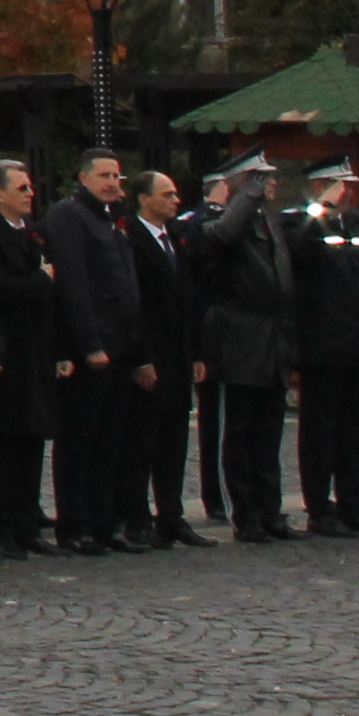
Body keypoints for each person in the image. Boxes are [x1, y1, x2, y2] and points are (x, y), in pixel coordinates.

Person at [185, 152, 298, 543]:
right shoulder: (219, 221)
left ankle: (270, 510)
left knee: (267, 436)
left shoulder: (267, 221)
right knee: (237, 433)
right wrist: (246, 194)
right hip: (238, 339)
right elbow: (222, 236)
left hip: (272, 337)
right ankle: (244, 513)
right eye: (263, 180)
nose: (271, 187)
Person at [43, 154, 144, 554]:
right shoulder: (69, 216)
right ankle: (75, 523)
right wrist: (89, 343)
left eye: (117, 175)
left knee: (110, 442)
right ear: (82, 177)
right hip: (92, 348)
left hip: (120, 344)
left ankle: (105, 521)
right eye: (104, 175)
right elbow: (74, 281)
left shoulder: (110, 219)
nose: (112, 182)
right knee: (79, 441)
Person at [284, 161, 359, 538]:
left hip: (358, 342)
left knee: (354, 432)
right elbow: (297, 256)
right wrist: (319, 212)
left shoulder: (355, 225)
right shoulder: (299, 222)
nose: (347, 193)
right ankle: (319, 509)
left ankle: (352, 505)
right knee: (320, 432)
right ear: (320, 186)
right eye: (339, 185)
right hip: (323, 346)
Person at [0, 160, 62, 556]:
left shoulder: (35, 234)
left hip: (37, 350)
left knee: (31, 439)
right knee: (1, 442)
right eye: (21, 188)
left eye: (29, 188)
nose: (29, 194)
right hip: (6, 353)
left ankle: (27, 523)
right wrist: (41, 280)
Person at [126, 170, 202, 547]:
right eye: (167, 194)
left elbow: (188, 301)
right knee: (143, 442)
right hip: (150, 355)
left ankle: (171, 515)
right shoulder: (131, 238)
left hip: (178, 356)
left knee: (174, 441)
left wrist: (196, 352)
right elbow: (134, 303)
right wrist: (141, 357)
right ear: (144, 199)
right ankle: (137, 517)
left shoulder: (174, 238)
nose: (176, 200)